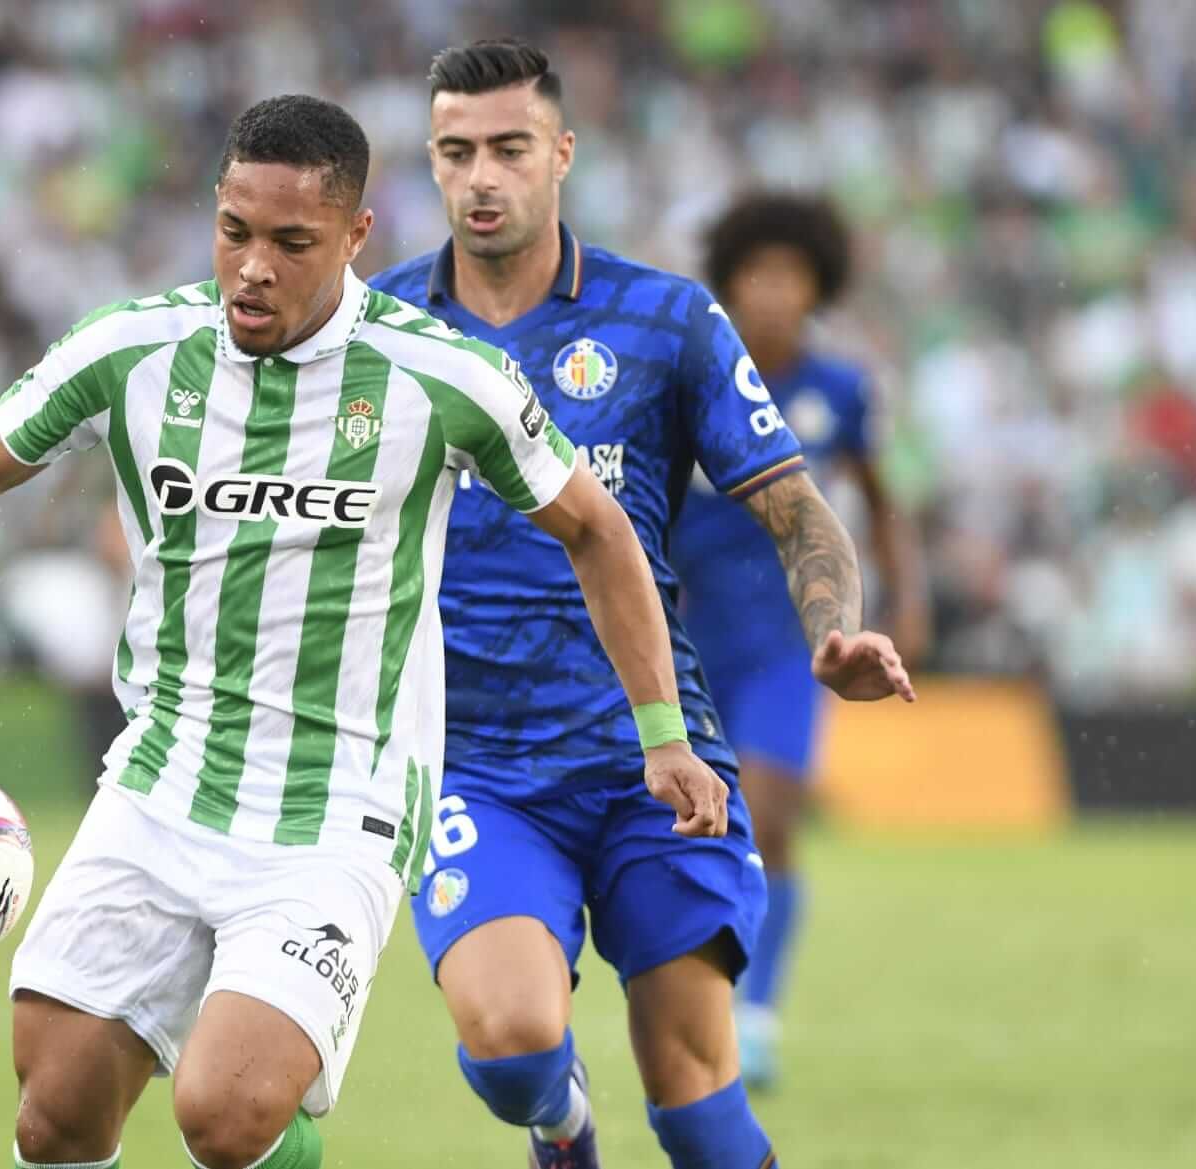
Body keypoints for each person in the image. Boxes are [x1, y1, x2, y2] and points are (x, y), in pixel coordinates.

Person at [0, 94, 734, 1169]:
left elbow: (596, 527)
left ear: (354, 238)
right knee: (54, 1115)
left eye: (291, 243)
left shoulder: (440, 376)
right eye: (234, 231)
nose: (252, 265)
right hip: (162, 776)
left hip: (339, 800)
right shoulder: (133, 347)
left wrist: (660, 731)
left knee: (227, 1110)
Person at [369, 41, 914, 1169]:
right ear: (430, 163)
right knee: (516, 1046)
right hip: (472, 757)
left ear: (560, 154)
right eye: (456, 152)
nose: (482, 177)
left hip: (652, 752)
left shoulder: (667, 321)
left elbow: (798, 506)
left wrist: (835, 625)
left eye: (509, 149)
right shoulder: (373, 331)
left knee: (698, 1109)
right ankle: (561, 1126)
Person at [672, 192, 933, 1088]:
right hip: (687, 630)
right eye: (756, 274)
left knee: (773, 814)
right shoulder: (692, 376)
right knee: (701, 827)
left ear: (817, 285)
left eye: (791, 275)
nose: (773, 292)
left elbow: (883, 500)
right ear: (731, 282)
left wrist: (906, 596)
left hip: (790, 635)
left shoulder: (843, 391)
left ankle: (760, 1009)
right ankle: (700, 996)